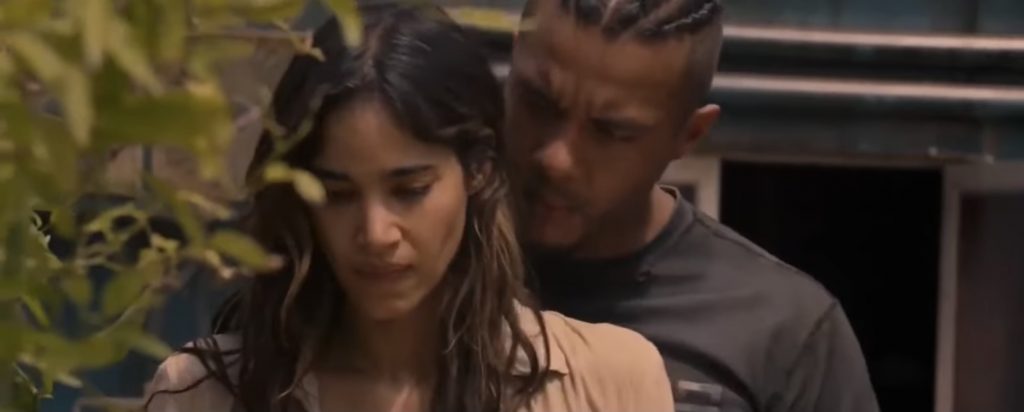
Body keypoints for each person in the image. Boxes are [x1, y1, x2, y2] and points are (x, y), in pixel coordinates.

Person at [143, 7, 673, 412]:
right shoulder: (202, 393)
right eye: (338, 194)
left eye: (410, 189)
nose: (376, 233)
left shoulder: (609, 382)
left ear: (478, 171)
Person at [503, 0, 881, 411]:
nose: (556, 159)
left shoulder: (784, 334)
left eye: (611, 132)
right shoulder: (449, 258)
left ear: (689, 135)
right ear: (514, 58)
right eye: (538, 103)